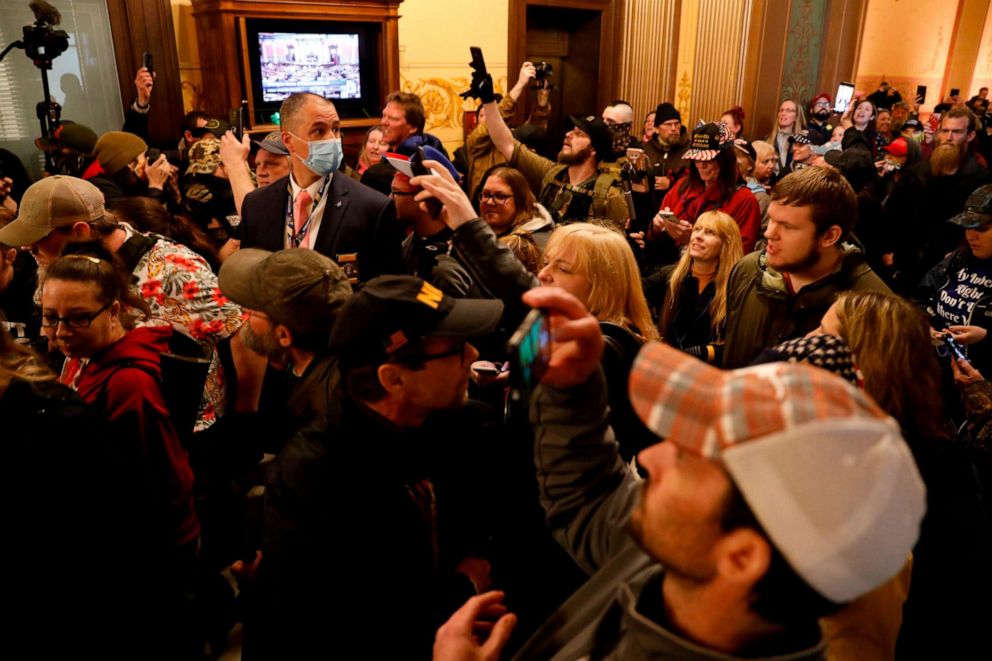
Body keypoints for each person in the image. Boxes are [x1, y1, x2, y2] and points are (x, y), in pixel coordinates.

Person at [434, 286, 925, 661]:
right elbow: (594, 501)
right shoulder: (692, 559)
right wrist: (575, 390)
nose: (650, 459)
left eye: (691, 456)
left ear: (740, 558)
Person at [245, 275, 504, 659]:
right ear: (393, 378)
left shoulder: (467, 426)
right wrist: (461, 590)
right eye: (454, 348)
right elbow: (334, 625)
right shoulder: (313, 476)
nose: (472, 354)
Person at [807, 291, 992, 659]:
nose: (811, 339)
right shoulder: (894, 436)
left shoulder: (903, 460)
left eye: (825, 334)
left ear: (864, 358)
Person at [40, 244, 201, 658]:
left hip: (145, 559)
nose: (60, 333)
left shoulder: (130, 384)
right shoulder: (86, 354)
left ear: (113, 312)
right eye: (50, 317)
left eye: (77, 318)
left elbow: (160, 481)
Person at [0, 175, 250, 432]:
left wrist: (243, 421)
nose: (28, 246)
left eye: (38, 237)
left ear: (80, 232)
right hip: (99, 422)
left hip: (176, 433)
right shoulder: (59, 266)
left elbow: (241, 329)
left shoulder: (173, 270)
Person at [722, 166, 890, 368]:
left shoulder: (874, 305)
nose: (769, 233)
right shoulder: (747, 270)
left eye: (787, 226)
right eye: (772, 219)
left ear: (829, 236)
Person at [238, 92, 403, 283]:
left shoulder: (373, 208)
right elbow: (250, 279)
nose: (332, 139)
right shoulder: (257, 205)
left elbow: (392, 293)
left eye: (335, 129)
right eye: (319, 131)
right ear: (288, 141)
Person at [471, 65, 629, 229]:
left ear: (594, 149)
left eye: (579, 134)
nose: (568, 135)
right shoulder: (551, 173)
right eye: (570, 131)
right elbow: (505, 142)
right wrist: (488, 100)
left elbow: (615, 251)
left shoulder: (609, 196)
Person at [647, 210, 744, 364]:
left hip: (709, 375)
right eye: (697, 229)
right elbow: (632, 295)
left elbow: (738, 346)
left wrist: (702, 352)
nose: (698, 236)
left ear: (726, 244)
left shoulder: (736, 287)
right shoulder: (670, 275)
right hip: (664, 367)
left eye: (710, 232)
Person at [651, 122, 761, 254]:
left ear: (725, 160)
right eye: (696, 159)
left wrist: (692, 240)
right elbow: (651, 239)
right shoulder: (682, 185)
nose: (701, 166)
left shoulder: (745, 201)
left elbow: (739, 258)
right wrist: (656, 227)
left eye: (708, 160)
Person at [916, 184, 992, 375]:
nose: (970, 236)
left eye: (981, 229)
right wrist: (927, 324)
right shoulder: (958, 258)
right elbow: (920, 296)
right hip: (939, 371)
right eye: (967, 227)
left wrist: (986, 336)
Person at [476, 165, 554, 252]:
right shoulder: (476, 233)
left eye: (500, 196)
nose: (489, 202)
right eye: (486, 195)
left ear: (519, 200)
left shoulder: (536, 244)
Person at [642, 102, 690, 203]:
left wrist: (671, 185)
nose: (673, 128)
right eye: (668, 124)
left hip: (678, 208)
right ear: (656, 129)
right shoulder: (646, 149)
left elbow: (695, 183)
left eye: (677, 124)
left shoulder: (690, 150)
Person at [767, 99, 806, 175]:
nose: (783, 113)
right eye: (781, 110)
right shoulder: (768, 139)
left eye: (788, 111)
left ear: (796, 117)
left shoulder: (803, 140)